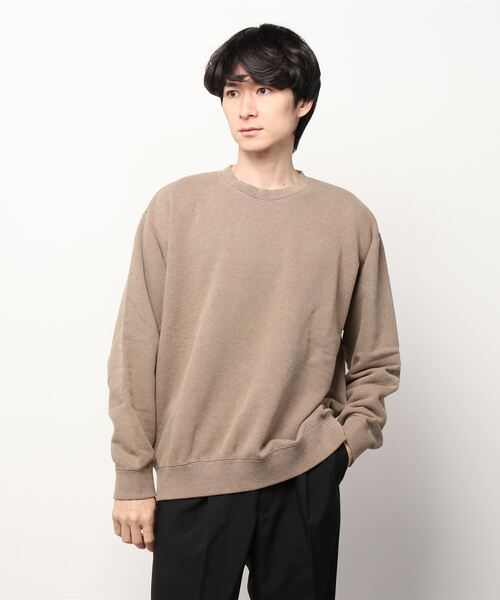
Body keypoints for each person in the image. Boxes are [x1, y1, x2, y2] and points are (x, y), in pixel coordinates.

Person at [107, 23, 401, 600]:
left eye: (264, 89)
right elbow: (136, 348)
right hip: (195, 477)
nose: (246, 107)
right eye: (233, 92)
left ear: (303, 101)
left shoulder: (348, 220)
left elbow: (376, 357)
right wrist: (132, 474)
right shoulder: (176, 208)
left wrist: (341, 447)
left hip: (304, 476)